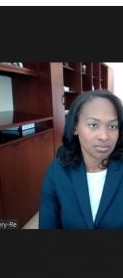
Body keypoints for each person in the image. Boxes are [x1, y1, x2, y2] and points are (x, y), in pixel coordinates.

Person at [39, 90, 123, 229]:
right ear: (75, 127)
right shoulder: (57, 172)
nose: (104, 136)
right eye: (93, 125)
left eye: (112, 126)